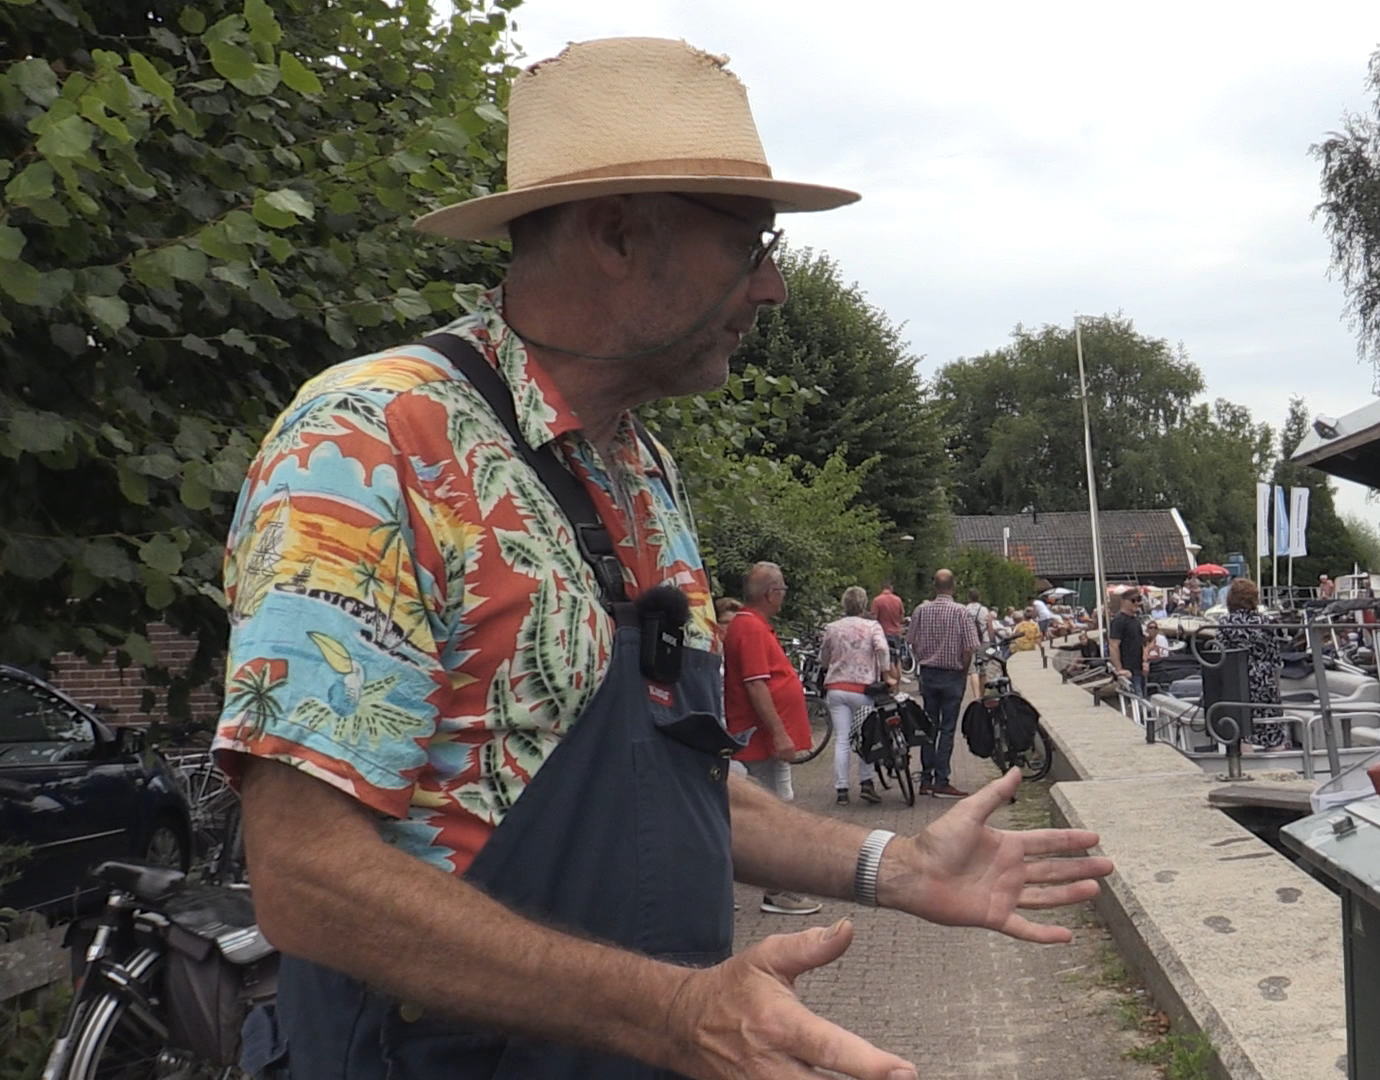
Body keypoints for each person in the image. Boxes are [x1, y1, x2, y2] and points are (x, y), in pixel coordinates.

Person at [213, 37, 1111, 1080]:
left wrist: (897, 867)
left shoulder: (642, 469)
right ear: (616, 233)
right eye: (752, 241)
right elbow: (306, 876)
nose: (771, 286)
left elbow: (674, 783)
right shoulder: (373, 442)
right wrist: (672, 1013)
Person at [721, 562, 823, 915]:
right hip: (758, 739)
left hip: (760, 738)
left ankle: (779, 886)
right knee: (773, 812)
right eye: (782, 591)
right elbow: (755, 683)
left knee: (777, 806)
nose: (783, 597)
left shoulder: (752, 626)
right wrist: (780, 733)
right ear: (770, 593)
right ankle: (778, 890)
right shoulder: (749, 628)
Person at [904, 569, 977, 798]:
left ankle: (925, 779)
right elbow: (969, 647)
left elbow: (912, 641)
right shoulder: (960, 612)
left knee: (928, 727)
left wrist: (923, 659)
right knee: (947, 729)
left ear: (934, 587)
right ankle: (942, 779)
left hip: (928, 673)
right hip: (952, 674)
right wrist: (963, 670)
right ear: (953, 587)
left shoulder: (920, 610)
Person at [816, 586, 891, 807]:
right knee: (866, 736)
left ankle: (841, 789)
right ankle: (866, 782)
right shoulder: (871, 626)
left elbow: (824, 657)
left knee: (842, 740)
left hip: (836, 688)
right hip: (862, 689)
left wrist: (832, 665)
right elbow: (883, 649)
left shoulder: (833, 627)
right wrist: (886, 675)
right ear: (864, 603)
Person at [1216, 577, 1296, 750]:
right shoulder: (1266, 623)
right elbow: (1275, 658)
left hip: (1239, 681)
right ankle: (1277, 765)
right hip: (1265, 680)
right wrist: (1275, 686)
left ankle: (1247, 767)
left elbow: (1219, 657)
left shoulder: (1226, 623)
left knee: (1243, 731)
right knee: (1271, 728)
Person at [1108, 589, 1148, 704]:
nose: (1137, 603)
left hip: (1138, 670)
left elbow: (1141, 643)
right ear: (1124, 602)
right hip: (1128, 671)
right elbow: (1113, 645)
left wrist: (1144, 662)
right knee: (1135, 703)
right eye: (1133, 600)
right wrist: (1120, 669)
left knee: (1142, 701)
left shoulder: (1135, 621)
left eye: (1139, 600)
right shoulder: (1118, 621)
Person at [871, 581, 906, 655]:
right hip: (896, 633)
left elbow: (873, 619)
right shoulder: (898, 600)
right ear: (891, 588)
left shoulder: (877, 600)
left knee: (887, 660)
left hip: (882, 634)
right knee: (897, 659)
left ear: (881, 588)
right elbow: (901, 618)